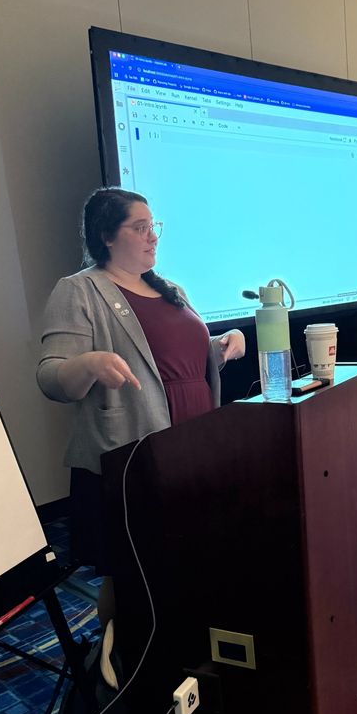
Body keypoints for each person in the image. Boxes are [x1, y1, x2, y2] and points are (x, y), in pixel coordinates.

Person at [37, 187, 245, 622]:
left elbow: (173, 362)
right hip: (132, 454)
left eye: (155, 226)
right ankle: (122, 657)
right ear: (107, 236)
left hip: (191, 444)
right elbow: (51, 377)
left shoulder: (172, 289)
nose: (153, 236)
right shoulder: (79, 291)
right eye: (140, 227)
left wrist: (218, 348)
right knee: (132, 572)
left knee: (188, 556)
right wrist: (90, 363)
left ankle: (176, 649)